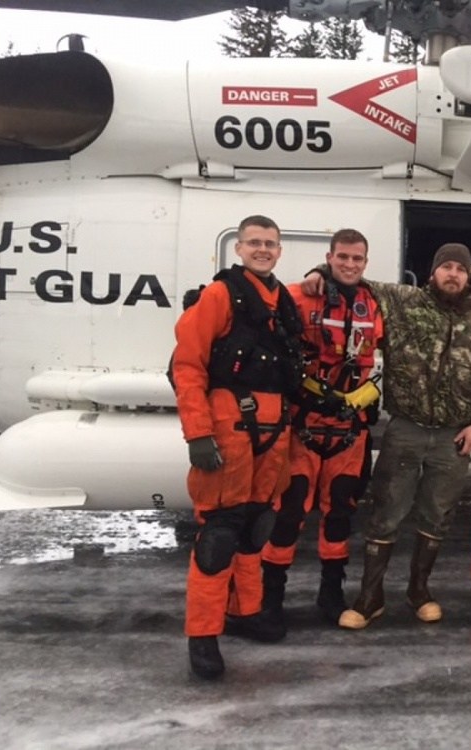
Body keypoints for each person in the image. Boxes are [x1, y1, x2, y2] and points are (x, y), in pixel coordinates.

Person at [303, 242, 471, 629]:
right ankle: (370, 597)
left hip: (452, 437)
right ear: (433, 272)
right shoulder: (402, 299)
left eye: (461, 268)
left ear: (468, 275)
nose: (453, 274)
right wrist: (319, 273)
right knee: (386, 514)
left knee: (437, 517)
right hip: (406, 428)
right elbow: (353, 277)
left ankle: (419, 591)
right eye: (447, 267)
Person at [171, 214, 303, 679]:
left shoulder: (283, 300)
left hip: (273, 434)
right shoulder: (220, 296)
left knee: (255, 528)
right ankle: (203, 634)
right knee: (219, 536)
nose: (263, 249)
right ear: (239, 248)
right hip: (229, 428)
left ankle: (245, 612)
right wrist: (198, 433)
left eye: (270, 243)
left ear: (279, 250)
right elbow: (186, 366)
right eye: (254, 243)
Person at [259, 229, 384, 628]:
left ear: (366, 262)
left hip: (350, 431)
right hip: (304, 428)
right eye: (342, 257)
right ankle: (270, 596)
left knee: (340, 516)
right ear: (329, 257)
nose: (349, 264)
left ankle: (331, 593)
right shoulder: (298, 295)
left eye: (357, 258)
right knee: (288, 513)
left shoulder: (375, 302)